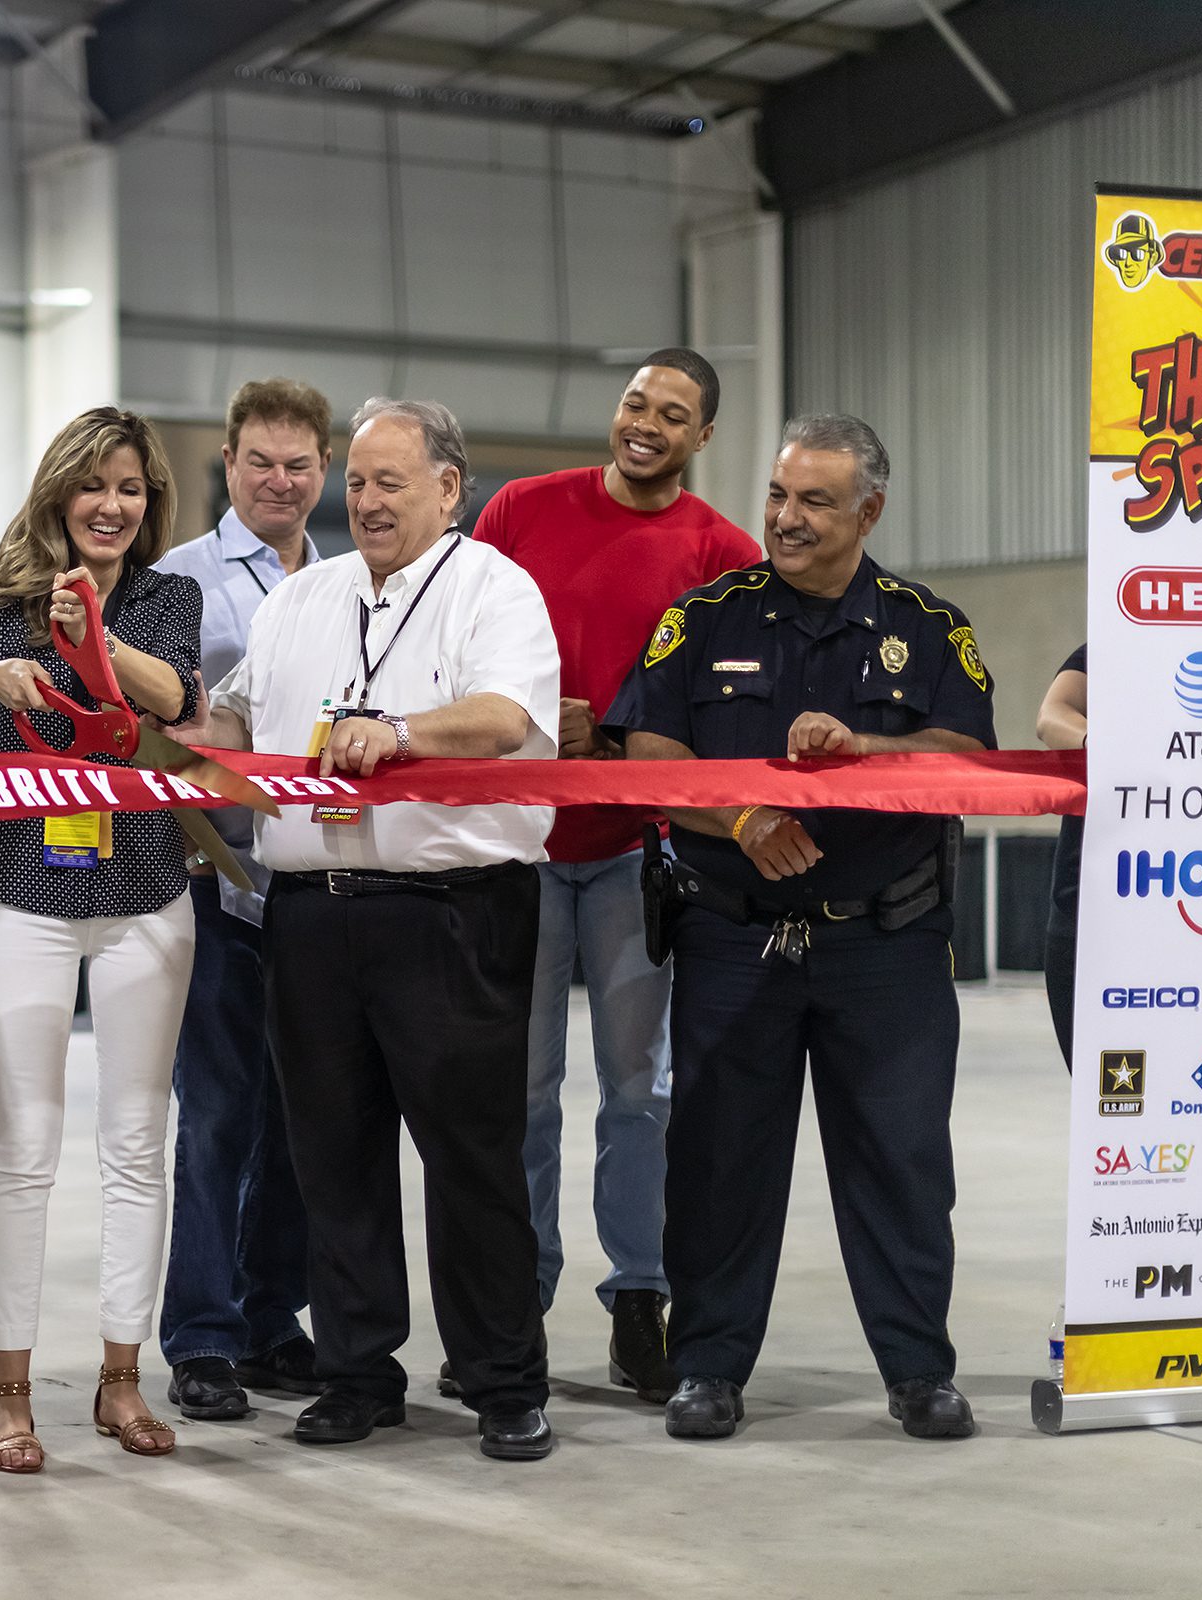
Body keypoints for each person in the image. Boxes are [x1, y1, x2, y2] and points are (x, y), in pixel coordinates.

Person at [175, 397, 562, 1462]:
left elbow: (504, 717)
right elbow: (237, 722)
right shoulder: (301, 597)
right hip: (310, 916)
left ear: (450, 486)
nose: (367, 499)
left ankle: (501, 1379)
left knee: (471, 1153)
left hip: (451, 911)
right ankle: (356, 1372)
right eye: (358, 481)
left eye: (392, 480)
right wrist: (167, 730)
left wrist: (393, 731)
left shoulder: (497, 588)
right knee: (330, 1156)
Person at [603, 413, 993, 1443]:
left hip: (888, 946)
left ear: (869, 509)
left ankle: (919, 1371)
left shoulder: (931, 626)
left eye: (815, 501)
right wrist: (735, 817)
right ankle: (708, 1367)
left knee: (902, 1160)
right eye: (779, 495)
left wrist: (860, 746)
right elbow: (647, 751)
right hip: (735, 937)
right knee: (720, 1162)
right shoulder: (705, 620)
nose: (786, 518)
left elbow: (966, 758)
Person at [0, 406, 202, 1473]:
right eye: (95, 486)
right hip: (25, 892)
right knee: (22, 1151)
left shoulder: (169, 598)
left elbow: (176, 698)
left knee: (135, 1147)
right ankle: (10, 1392)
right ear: (59, 495)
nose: (113, 505)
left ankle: (122, 1379)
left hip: (149, 896)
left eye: (131, 488)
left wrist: (94, 643)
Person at [466, 348, 761, 1406]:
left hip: (640, 856)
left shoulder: (725, 552)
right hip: (519, 847)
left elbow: (731, 701)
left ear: (702, 438)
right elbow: (456, 646)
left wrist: (624, 730)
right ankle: (515, 1308)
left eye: (672, 414)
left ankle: (641, 1299)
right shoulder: (519, 511)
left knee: (641, 1093)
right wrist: (539, 725)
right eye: (638, 401)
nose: (646, 423)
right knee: (522, 1094)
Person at [149, 378, 327, 1422]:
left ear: (324, 472)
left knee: (304, 1119)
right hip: (217, 885)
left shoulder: (350, 582)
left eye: (299, 464)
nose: (279, 480)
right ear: (228, 463)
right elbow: (158, 736)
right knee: (215, 1116)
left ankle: (272, 1317)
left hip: (311, 887)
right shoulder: (181, 579)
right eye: (261, 461)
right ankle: (204, 1336)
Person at [1037, 646, 1087, 1070]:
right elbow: (1052, 717)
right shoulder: (1111, 649)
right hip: (1090, 906)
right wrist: (1098, 741)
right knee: (1103, 1095)